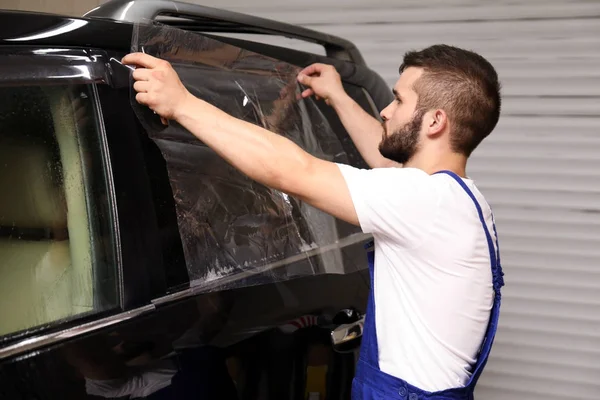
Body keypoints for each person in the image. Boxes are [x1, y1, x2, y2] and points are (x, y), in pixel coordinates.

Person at [123, 43, 505, 400]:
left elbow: (294, 170)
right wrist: (338, 97)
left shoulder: (423, 201)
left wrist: (182, 103)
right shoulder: (458, 198)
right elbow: (389, 162)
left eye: (399, 99)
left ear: (436, 120)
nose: (386, 111)